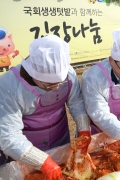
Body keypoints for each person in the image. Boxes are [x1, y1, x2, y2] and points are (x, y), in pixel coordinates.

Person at [0, 35, 91, 180]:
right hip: (26, 147)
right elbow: (9, 136)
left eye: (59, 83)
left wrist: (84, 128)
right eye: (49, 85)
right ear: (32, 73)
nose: (56, 88)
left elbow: (76, 103)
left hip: (60, 136)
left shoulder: (68, 73)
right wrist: (43, 162)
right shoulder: (8, 85)